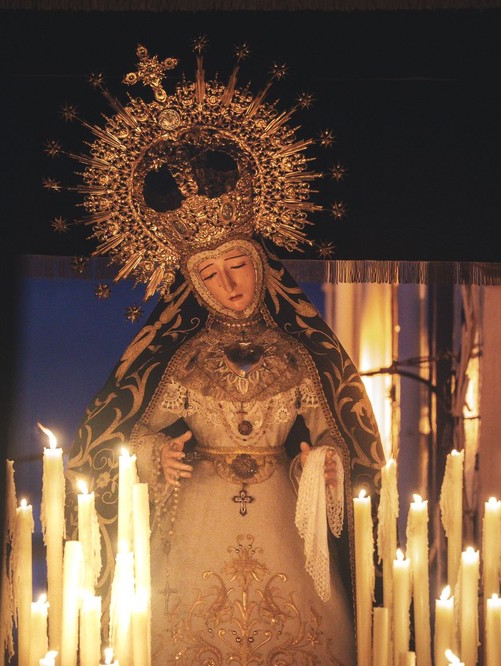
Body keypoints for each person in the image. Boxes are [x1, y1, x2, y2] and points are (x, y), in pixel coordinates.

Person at [58, 43, 385, 664]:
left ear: (261, 265)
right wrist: (155, 456)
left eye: (237, 264)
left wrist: (328, 465)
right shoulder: (181, 361)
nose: (229, 284)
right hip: (198, 510)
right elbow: (129, 435)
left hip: (285, 514)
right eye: (209, 275)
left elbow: (332, 431)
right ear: (192, 286)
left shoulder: (296, 356)